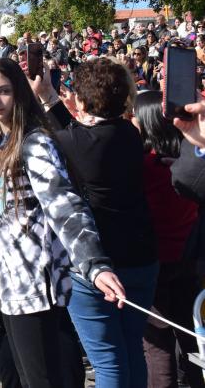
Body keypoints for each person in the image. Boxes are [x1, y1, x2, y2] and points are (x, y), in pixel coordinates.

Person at [0, 57, 124, 388]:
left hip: (34, 286)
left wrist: (95, 264)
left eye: (3, 91)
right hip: (8, 286)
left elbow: (64, 204)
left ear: (20, 93)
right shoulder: (1, 142)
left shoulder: (35, 141)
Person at [32, 58, 157, 387]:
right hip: (143, 259)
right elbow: (73, 132)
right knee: (132, 352)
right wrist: (50, 96)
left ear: (83, 101)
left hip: (98, 265)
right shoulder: (129, 133)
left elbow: (65, 135)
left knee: (108, 361)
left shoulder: (77, 144)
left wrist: (44, 97)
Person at [131, 91, 205, 387]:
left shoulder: (143, 166)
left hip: (155, 265)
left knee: (158, 347)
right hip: (190, 260)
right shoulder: (189, 159)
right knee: (190, 335)